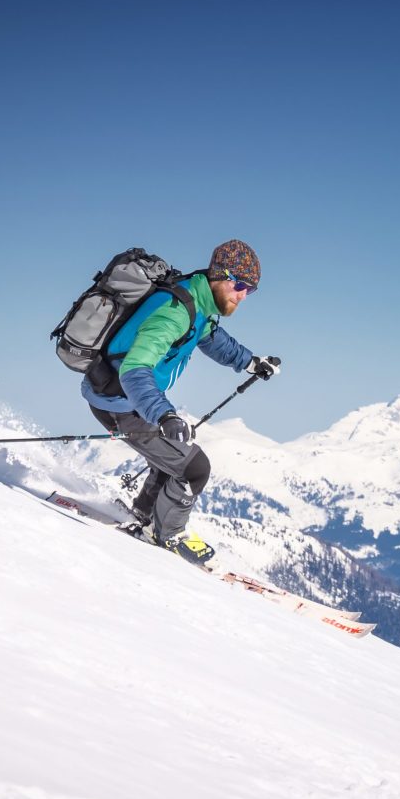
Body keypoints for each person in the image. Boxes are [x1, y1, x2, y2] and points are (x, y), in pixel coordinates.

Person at [81, 239, 279, 564]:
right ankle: (168, 535)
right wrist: (164, 415)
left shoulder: (197, 302)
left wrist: (251, 363)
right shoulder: (174, 313)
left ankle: (143, 516)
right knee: (194, 468)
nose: (243, 296)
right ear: (219, 276)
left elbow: (212, 338)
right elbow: (134, 369)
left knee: (174, 455)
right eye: (240, 285)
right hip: (120, 399)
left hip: (126, 397)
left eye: (251, 290)